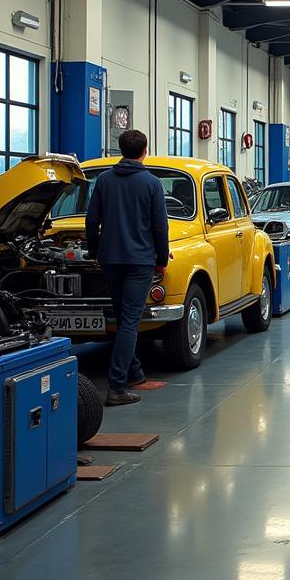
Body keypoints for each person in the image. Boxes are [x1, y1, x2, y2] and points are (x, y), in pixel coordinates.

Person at [86, 129, 169, 406]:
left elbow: (91, 219)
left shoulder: (104, 180)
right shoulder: (152, 183)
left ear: (120, 150)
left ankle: (134, 372)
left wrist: (96, 249)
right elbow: (160, 225)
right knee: (131, 321)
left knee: (123, 318)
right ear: (145, 150)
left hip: (110, 258)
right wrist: (161, 259)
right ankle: (117, 387)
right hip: (139, 261)